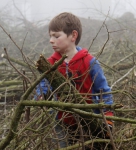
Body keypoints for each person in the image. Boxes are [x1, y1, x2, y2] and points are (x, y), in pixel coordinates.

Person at [35, 12, 114, 149]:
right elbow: (43, 85)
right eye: (50, 36)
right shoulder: (50, 64)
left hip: (89, 119)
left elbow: (103, 90)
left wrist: (107, 118)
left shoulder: (90, 62)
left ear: (73, 35)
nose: (51, 40)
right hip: (62, 121)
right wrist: (41, 95)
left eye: (56, 36)